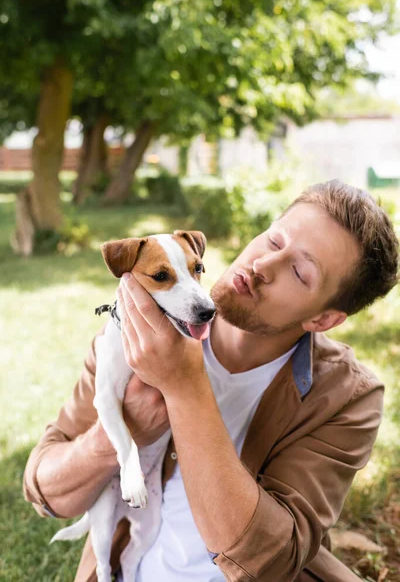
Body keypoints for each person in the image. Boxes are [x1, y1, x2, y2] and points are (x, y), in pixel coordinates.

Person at [24, 180, 399, 582]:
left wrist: (184, 388)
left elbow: (268, 560)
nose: (261, 266)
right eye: (274, 241)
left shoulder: (346, 398)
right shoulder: (137, 338)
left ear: (322, 319)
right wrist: (113, 437)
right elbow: (46, 492)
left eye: (298, 271)